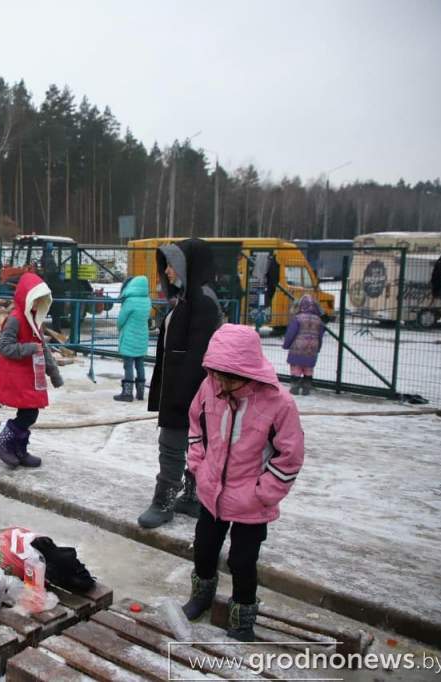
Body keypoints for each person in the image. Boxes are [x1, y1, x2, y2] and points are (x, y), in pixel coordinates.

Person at [179, 324, 305, 642]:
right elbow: (195, 423)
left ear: (250, 371)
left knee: (242, 561)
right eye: (217, 375)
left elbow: (289, 456)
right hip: (211, 492)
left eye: (230, 378)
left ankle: (242, 616)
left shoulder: (279, 403)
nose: (222, 384)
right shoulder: (210, 387)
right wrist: (198, 464)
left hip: (252, 502)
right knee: (205, 550)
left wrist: (264, 493)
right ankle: (202, 596)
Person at [140, 238, 223, 528]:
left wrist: (181, 399)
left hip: (188, 391)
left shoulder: (203, 302)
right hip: (178, 387)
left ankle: (163, 503)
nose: (168, 272)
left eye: (173, 265)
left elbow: (200, 355)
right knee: (188, 445)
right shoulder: (188, 299)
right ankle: (191, 497)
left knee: (172, 445)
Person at [0, 272, 64, 468]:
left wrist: (53, 372)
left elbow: (42, 347)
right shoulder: (15, 319)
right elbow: (5, 347)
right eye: (37, 299)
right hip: (17, 376)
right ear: (28, 297)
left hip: (30, 376)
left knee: (30, 413)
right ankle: (3, 442)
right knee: (29, 414)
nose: (39, 304)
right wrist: (29, 348)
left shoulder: (32, 319)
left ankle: (19, 450)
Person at [113, 275, 151, 402]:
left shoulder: (130, 301)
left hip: (129, 337)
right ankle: (140, 393)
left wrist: (119, 328)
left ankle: (127, 393)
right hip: (142, 338)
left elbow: (121, 320)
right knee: (140, 364)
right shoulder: (147, 300)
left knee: (128, 365)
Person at [282, 295, 324, 395]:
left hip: (297, 347)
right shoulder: (319, 320)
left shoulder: (297, 318)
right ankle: (306, 389)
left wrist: (286, 345)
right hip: (312, 348)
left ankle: (295, 388)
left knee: (296, 368)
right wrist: (318, 347)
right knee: (308, 368)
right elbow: (320, 335)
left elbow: (291, 333)